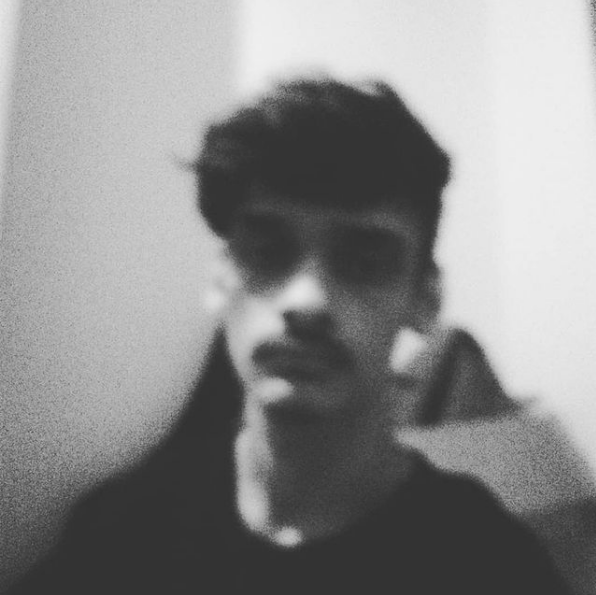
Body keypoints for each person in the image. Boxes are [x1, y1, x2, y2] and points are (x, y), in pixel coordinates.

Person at [9, 78, 570, 594]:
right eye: (267, 251)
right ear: (221, 279)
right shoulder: (124, 531)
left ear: (426, 300)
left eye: (364, 261)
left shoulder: (486, 562)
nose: (306, 301)